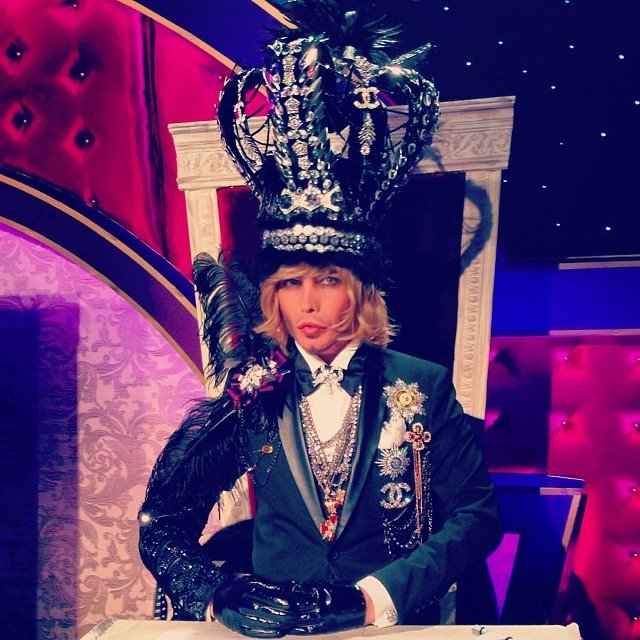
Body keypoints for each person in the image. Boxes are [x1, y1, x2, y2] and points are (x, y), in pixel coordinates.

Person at [139, 1, 502, 636]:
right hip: (275, 629)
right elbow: (162, 523)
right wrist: (217, 594)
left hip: (388, 625)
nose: (306, 303)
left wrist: (371, 599)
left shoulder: (422, 384)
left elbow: (477, 518)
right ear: (272, 296)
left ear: (361, 292)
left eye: (328, 281)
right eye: (290, 284)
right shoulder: (254, 392)